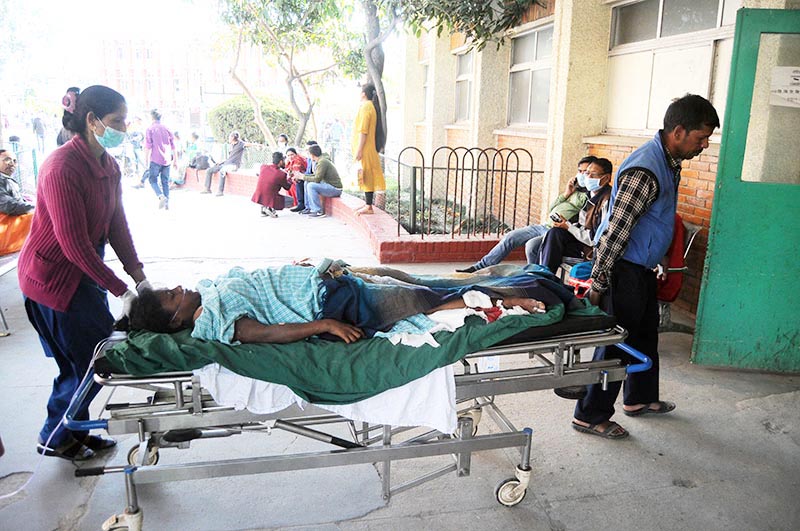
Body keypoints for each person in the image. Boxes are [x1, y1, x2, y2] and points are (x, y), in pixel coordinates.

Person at [572, 94, 719, 440]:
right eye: (701, 138)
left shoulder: (668, 161)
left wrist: (662, 257)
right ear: (679, 131)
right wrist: (599, 281)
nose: (704, 145)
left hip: (641, 268)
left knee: (644, 336)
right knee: (617, 344)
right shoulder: (646, 169)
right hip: (623, 269)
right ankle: (589, 414)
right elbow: (616, 230)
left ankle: (639, 399)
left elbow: (657, 218)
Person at [18, 85, 150, 461]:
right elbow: (72, 243)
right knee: (89, 362)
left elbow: (117, 226)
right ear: (92, 121)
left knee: (88, 360)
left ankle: (74, 429)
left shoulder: (108, 166)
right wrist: (121, 290)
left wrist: (139, 276)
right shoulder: (61, 167)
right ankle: (56, 435)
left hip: (83, 273)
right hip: (53, 280)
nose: (123, 128)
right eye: (116, 121)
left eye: (125, 120)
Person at [123, 263, 566, 345]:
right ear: (177, 317)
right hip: (336, 303)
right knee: (429, 300)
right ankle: (522, 298)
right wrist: (327, 326)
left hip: (332, 279)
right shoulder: (215, 319)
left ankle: (504, 282)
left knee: (408, 278)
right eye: (173, 296)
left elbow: (261, 283)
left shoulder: (209, 289)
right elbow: (268, 333)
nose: (180, 289)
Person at [456, 156, 596, 274]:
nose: (582, 175)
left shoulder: (590, 195)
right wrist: (567, 193)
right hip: (543, 226)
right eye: (580, 171)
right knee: (511, 237)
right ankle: (480, 267)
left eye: (586, 172)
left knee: (531, 245)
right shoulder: (574, 191)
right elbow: (552, 208)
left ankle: (533, 275)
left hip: (556, 232)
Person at [537, 158, 613, 274]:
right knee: (554, 233)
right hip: (580, 239)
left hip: (590, 250)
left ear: (606, 178)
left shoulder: (606, 201)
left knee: (547, 243)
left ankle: (544, 278)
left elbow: (595, 239)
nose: (587, 178)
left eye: (593, 175)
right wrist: (566, 224)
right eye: (587, 173)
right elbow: (582, 224)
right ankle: (542, 275)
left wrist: (568, 227)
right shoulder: (589, 195)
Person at [352, 83, 386, 216]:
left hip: (365, 148)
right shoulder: (370, 106)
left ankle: (368, 206)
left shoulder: (366, 107)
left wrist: (359, 149)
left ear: (363, 94)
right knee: (368, 175)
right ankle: (368, 205)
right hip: (368, 147)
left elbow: (363, 130)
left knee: (366, 176)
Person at [0, 149, 35, 255]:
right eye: (7, 159)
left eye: (14, 161)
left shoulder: (6, 179)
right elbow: (8, 205)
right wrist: (35, 207)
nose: (12, 163)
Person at [201, 131, 253, 196]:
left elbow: (249, 144)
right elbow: (230, 157)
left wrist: (259, 146)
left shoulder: (240, 144)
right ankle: (207, 189)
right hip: (226, 163)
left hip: (234, 165)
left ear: (233, 138)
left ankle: (220, 191)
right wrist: (221, 162)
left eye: (229, 137)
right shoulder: (231, 146)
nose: (228, 139)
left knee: (222, 171)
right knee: (209, 170)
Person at [144, 109, 176, 210]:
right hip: (167, 159)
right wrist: (175, 160)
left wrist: (146, 160)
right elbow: (173, 146)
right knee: (165, 181)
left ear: (151, 117)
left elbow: (148, 146)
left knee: (152, 179)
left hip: (155, 159)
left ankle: (160, 195)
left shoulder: (150, 129)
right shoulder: (167, 128)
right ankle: (167, 204)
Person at [302, 144, 342, 218]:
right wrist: (302, 176)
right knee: (307, 182)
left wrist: (302, 177)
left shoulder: (322, 162)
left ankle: (318, 211)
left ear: (312, 155)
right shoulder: (321, 160)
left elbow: (317, 179)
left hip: (335, 188)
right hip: (328, 185)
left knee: (311, 186)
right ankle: (310, 208)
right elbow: (315, 175)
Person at [252, 151, 291, 218]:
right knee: (291, 201)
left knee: (267, 193)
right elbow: (287, 187)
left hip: (259, 195)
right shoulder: (281, 174)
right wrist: (291, 179)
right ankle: (270, 208)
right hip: (271, 198)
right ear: (281, 161)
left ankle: (264, 208)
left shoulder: (263, 167)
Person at [289, 140, 317, 212]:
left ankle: (309, 207)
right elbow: (308, 172)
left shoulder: (318, 159)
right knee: (299, 181)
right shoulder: (309, 159)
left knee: (306, 183)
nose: (307, 151)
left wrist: (303, 176)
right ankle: (302, 204)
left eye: (309, 149)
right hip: (310, 177)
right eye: (306, 150)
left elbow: (316, 175)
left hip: (317, 179)